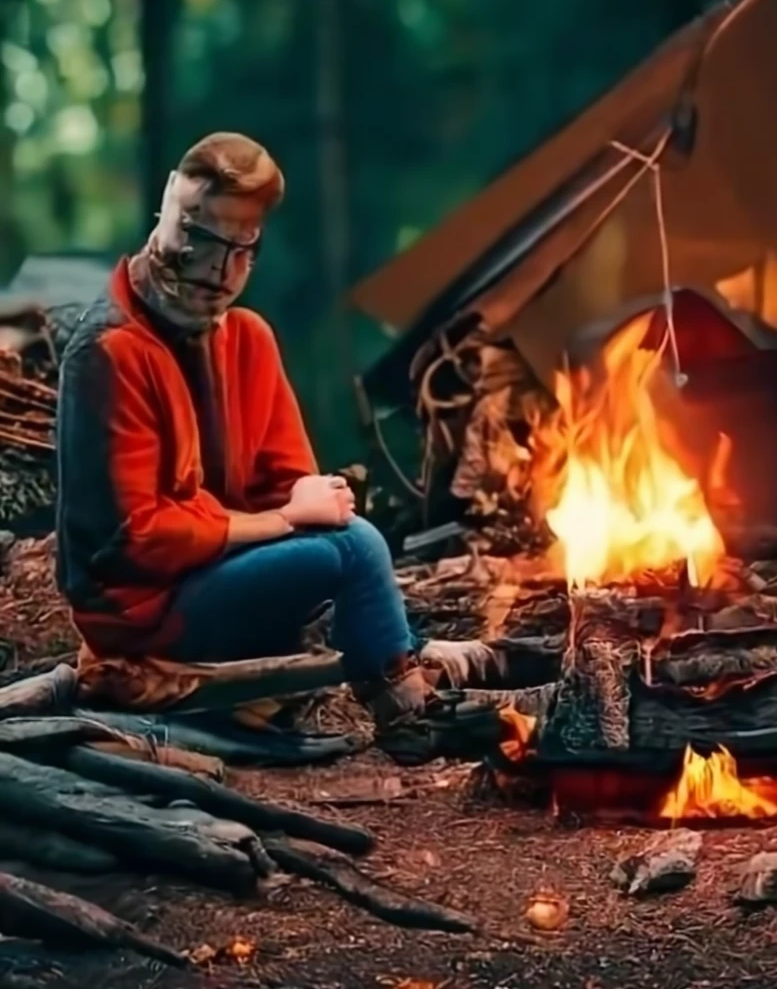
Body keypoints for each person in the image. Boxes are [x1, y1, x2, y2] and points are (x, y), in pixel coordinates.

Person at [55, 131, 489, 764]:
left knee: (342, 535)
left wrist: (310, 504)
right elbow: (136, 539)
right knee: (356, 545)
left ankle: (408, 671)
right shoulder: (107, 353)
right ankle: (409, 713)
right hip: (144, 620)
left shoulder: (248, 339)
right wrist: (283, 520)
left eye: (240, 249)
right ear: (168, 217)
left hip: (217, 578)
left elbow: (291, 485)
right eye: (199, 239)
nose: (216, 268)